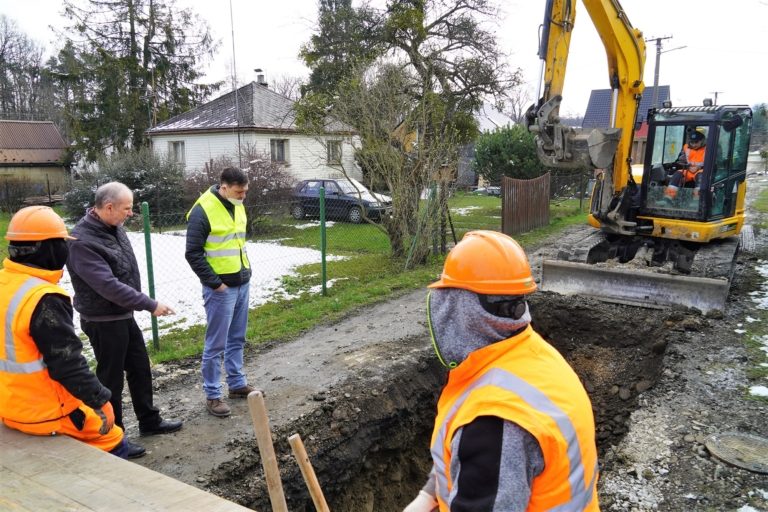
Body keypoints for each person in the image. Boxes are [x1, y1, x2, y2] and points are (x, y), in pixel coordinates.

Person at [404, 230, 599, 512]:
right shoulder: (531, 354)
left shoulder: (494, 420)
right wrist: (429, 495)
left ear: (461, 309)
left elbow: (491, 453)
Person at [67, 182, 182, 459]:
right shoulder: (82, 242)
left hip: (121, 314)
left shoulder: (113, 227)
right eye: (127, 208)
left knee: (140, 367)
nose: (130, 214)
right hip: (102, 320)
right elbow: (108, 286)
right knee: (111, 379)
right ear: (108, 208)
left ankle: (149, 420)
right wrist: (149, 304)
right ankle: (114, 437)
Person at [0, 206, 127, 457]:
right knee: (114, 438)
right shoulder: (43, 297)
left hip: (10, 406)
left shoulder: (6, 282)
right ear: (50, 249)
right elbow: (67, 362)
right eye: (62, 244)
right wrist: (101, 400)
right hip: (47, 413)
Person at [185, 167, 254, 418]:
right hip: (221, 289)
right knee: (216, 344)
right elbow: (192, 253)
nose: (243, 196)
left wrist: (246, 273)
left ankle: (236, 384)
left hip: (242, 281)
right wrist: (215, 283)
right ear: (224, 187)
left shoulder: (237, 204)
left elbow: (237, 241)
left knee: (237, 338)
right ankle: (213, 395)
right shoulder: (203, 211)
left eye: (245, 191)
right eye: (239, 191)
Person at [664, 127, 707, 202]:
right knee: (677, 174)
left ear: (702, 141)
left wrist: (699, 167)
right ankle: (668, 198)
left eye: (696, 142)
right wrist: (687, 167)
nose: (693, 144)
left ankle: (697, 201)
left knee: (701, 177)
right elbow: (681, 161)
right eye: (692, 142)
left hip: (703, 171)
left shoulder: (708, 149)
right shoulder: (686, 148)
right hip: (688, 170)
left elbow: (713, 163)